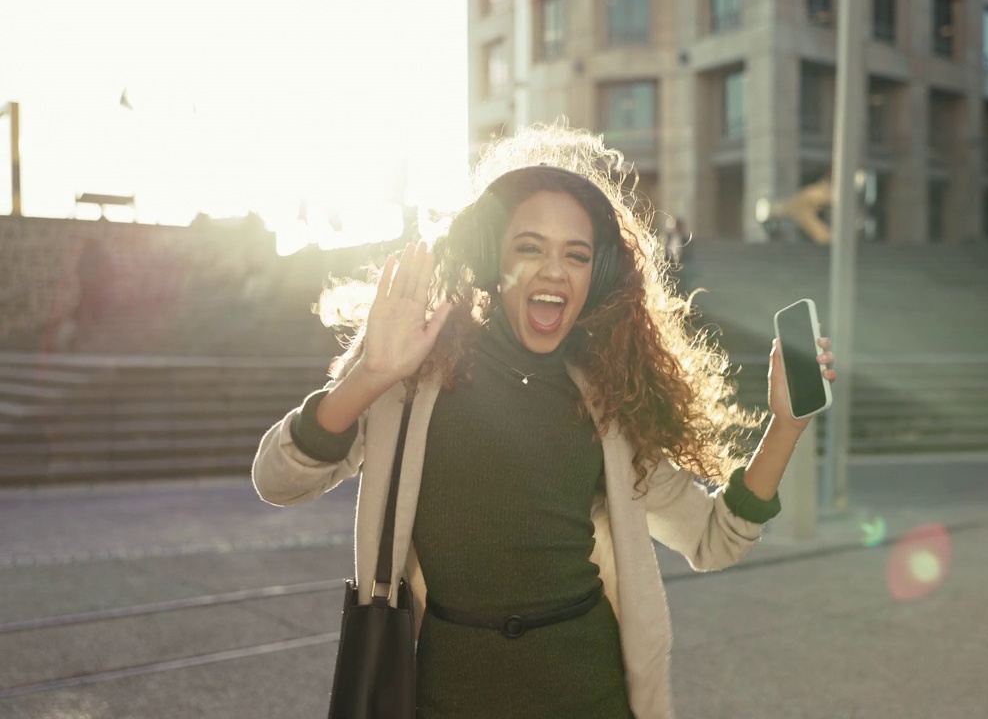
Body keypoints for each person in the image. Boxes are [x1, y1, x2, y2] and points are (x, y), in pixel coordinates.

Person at [251, 124, 837, 718]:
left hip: (589, 691)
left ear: (595, 277)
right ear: (492, 263)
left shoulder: (608, 407)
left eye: (576, 255)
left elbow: (716, 539)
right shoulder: (410, 380)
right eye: (529, 247)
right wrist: (370, 374)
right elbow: (278, 480)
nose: (554, 271)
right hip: (447, 696)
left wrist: (785, 426)